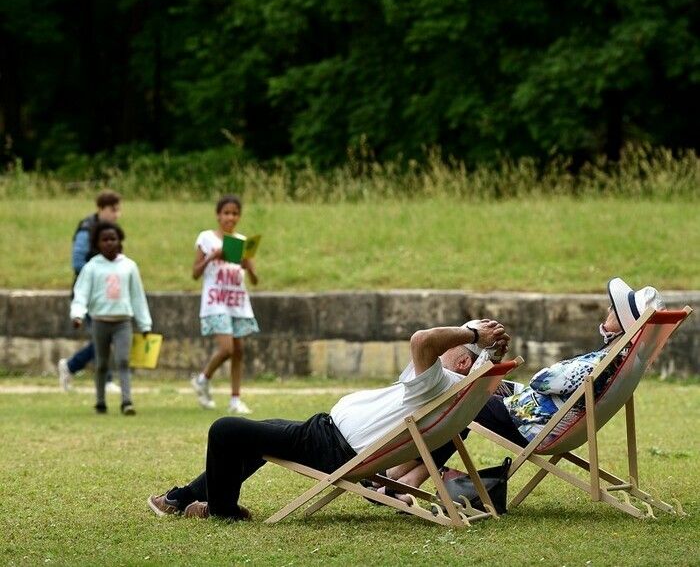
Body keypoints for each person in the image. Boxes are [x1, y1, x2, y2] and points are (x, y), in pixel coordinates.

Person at [147, 319, 511, 519]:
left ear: (462, 362)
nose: (441, 349)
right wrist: (488, 351)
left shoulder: (436, 383)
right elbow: (455, 356)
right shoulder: (453, 392)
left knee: (225, 429)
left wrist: (472, 334)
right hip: (327, 434)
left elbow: (422, 340)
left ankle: (220, 510)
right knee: (262, 432)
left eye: (450, 350)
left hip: (331, 447)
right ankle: (183, 498)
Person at [369, 276, 666, 500]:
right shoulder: (624, 361)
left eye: (613, 309)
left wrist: (500, 382)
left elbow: (545, 380)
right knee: (470, 397)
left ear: (624, 323)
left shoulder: (602, 362)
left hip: (531, 427)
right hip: (544, 419)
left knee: (458, 402)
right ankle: (402, 478)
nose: (608, 311)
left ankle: (397, 475)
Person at [70, 221, 153, 415]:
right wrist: (78, 314)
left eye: (112, 239)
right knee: (102, 363)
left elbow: (137, 296)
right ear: (97, 244)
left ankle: (127, 401)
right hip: (100, 321)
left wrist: (145, 323)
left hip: (123, 322)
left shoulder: (129, 266)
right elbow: (81, 293)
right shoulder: (92, 267)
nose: (109, 243)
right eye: (104, 240)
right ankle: (100, 401)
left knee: (123, 360)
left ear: (120, 241)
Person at [190, 195, 260, 414]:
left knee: (238, 350)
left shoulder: (242, 242)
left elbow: (255, 280)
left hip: (237, 301)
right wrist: (212, 257)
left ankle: (235, 399)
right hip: (216, 300)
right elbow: (195, 273)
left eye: (235, 213)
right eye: (226, 213)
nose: (230, 217)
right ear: (218, 215)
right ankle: (203, 379)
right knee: (227, 348)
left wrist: (249, 267)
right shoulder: (206, 238)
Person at [58, 190, 122, 392]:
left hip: (108, 294)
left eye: (118, 210)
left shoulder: (112, 230)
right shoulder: (86, 229)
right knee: (102, 337)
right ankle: (75, 368)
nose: (116, 214)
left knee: (105, 336)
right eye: (113, 210)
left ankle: (75, 368)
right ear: (101, 208)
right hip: (89, 294)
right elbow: (78, 262)